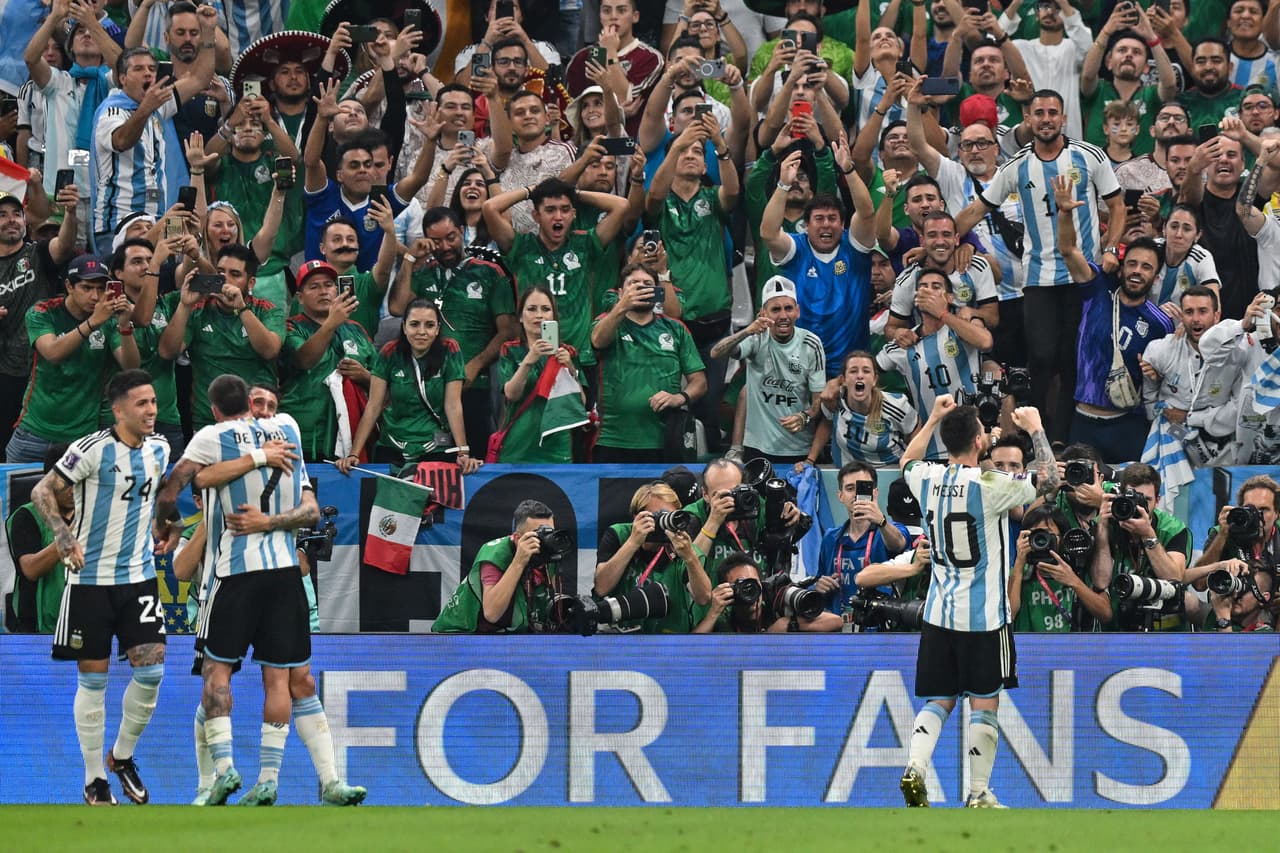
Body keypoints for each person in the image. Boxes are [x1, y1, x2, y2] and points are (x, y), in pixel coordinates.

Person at [155, 373, 366, 807]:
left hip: (248, 575)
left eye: (270, 404)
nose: (265, 411)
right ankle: (218, 781)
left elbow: (182, 484)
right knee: (252, 680)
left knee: (255, 679)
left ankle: (255, 777)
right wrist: (258, 456)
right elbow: (204, 482)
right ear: (247, 406)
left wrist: (172, 522)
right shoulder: (285, 430)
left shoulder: (220, 437)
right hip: (253, 575)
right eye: (258, 403)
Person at [897, 395, 1056, 810]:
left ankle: (915, 767)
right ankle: (977, 793)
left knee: (939, 700)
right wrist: (1035, 427)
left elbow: (906, 462)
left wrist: (932, 417)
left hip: (938, 613)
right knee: (985, 703)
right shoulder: (991, 486)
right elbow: (1050, 480)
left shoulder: (927, 478)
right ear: (979, 441)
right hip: (985, 617)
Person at [30, 369, 170, 806]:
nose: (151, 410)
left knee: (152, 672)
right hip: (90, 582)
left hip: (139, 576)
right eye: (142, 404)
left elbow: (154, 496)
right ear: (119, 409)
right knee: (94, 683)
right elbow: (42, 490)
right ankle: (94, 780)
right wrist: (62, 534)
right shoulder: (91, 449)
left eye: (153, 402)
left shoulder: (160, 448)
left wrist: (170, 523)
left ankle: (122, 756)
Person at [955, 89, 1125, 442]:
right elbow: (977, 210)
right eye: (1039, 113)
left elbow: (1118, 206)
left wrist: (1111, 248)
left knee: (1071, 359)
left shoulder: (1089, 156)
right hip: (1037, 278)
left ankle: (1062, 436)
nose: (1046, 119)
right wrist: (942, 239)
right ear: (1028, 120)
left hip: (1084, 276)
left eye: (1053, 112)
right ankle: (1039, 430)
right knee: (1042, 356)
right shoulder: (1016, 165)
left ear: (1063, 118)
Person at [1052, 176, 1175, 462]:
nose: (1137, 271)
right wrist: (1065, 213)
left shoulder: (1160, 323)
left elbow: (1165, 376)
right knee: (1078, 496)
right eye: (1132, 263)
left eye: (1146, 267)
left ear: (1155, 277)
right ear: (1121, 267)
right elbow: (1068, 251)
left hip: (1128, 425)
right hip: (1083, 422)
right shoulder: (1097, 289)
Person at [388, 207, 517, 452]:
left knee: (474, 456)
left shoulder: (489, 272)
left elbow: (508, 331)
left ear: (461, 232)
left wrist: (476, 364)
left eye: (451, 237)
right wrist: (409, 260)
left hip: (475, 385)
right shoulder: (424, 273)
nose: (445, 246)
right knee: (436, 461)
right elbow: (396, 307)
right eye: (436, 241)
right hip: (431, 388)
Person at [7, 254, 140, 464]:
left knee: (76, 498)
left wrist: (125, 327)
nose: (95, 296)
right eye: (87, 288)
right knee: (16, 497)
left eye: (100, 288)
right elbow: (52, 353)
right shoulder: (43, 312)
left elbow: (131, 367)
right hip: (34, 433)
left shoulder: (109, 319)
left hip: (81, 438)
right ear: (69, 286)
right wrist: (93, 323)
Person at [484, 177, 630, 367]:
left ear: (574, 214)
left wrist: (572, 191)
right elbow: (489, 208)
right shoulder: (521, 248)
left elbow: (622, 205)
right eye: (550, 210)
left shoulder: (585, 245)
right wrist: (531, 190)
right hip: (533, 359)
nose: (558, 216)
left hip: (579, 358)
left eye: (565, 209)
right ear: (536, 216)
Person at [761, 152, 878, 378]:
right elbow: (768, 232)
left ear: (842, 224)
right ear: (806, 225)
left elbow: (867, 212)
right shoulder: (796, 249)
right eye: (819, 219)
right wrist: (784, 184)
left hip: (851, 368)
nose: (826, 225)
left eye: (832, 219)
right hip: (802, 365)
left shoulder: (854, 247)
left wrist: (849, 171)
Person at [90, 39, 217, 247]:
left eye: (151, 68)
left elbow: (201, 78)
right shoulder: (111, 111)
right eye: (138, 69)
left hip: (156, 220)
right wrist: (145, 108)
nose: (148, 74)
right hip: (119, 225)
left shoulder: (158, 107)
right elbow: (122, 140)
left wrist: (209, 31)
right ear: (122, 78)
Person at [337, 300, 478, 476]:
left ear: (437, 329)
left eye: (429, 325)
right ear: (404, 327)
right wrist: (353, 453)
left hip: (435, 448)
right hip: (392, 447)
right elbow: (373, 406)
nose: (421, 332)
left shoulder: (450, 350)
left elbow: (453, 405)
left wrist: (462, 452)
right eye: (414, 324)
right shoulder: (389, 352)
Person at [156, 244, 285, 431]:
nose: (225, 279)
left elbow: (270, 350)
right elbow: (167, 352)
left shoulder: (267, 311)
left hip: (259, 421)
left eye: (235, 274)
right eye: (220, 272)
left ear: (251, 283)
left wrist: (241, 309)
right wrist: (184, 306)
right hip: (209, 423)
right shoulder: (198, 310)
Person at [591, 264, 706, 463]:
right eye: (633, 284)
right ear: (620, 293)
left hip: (666, 441)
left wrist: (679, 397)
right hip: (613, 440)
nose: (641, 288)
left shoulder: (675, 329)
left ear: (657, 292)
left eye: (647, 284)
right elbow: (598, 341)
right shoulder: (605, 322)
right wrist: (622, 307)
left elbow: (700, 382)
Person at [876, 268, 993, 462]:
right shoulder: (904, 343)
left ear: (949, 297)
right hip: (931, 452)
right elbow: (867, 372)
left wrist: (942, 314)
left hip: (973, 448)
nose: (928, 291)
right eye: (923, 287)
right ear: (915, 298)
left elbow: (985, 341)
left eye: (936, 287)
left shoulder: (961, 329)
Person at [708, 276, 824, 465]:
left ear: (798, 311)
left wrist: (804, 416)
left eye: (788, 308)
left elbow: (819, 401)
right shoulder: (756, 338)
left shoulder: (811, 344)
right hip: (757, 448)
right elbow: (716, 353)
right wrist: (746, 331)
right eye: (775, 309)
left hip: (799, 449)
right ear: (763, 313)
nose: (783, 315)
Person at [0, 186, 80, 451]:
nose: (11, 219)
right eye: (2, 215)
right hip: (4, 371)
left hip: (42, 370)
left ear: (25, 221)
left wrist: (70, 212)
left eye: (16, 214)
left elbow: (65, 244)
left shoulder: (38, 254)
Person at [279, 260, 378, 462]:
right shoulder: (290, 328)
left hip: (353, 440)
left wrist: (365, 376)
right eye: (314, 287)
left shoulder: (357, 330)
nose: (323, 291)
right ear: (300, 297)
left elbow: (384, 382)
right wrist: (330, 324)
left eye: (328, 285)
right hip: (304, 439)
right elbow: (304, 359)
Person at [1140, 286, 1247, 468]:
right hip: (1171, 432)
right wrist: (1159, 419)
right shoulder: (1160, 350)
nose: (1196, 319)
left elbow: (1238, 408)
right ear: (1182, 317)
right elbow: (1150, 400)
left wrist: (1191, 418)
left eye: (1203, 311)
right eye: (1189, 312)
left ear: (1216, 316)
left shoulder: (1239, 354)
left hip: (1219, 440)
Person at [434, 500, 568, 632]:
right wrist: (519, 562)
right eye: (539, 535)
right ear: (517, 538)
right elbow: (492, 614)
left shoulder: (547, 555)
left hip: (510, 635)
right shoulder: (495, 554)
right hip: (460, 634)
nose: (545, 541)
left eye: (550, 533)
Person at [593, 481, 709, 632]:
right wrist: (633, 542)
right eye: (657, 516)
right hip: (623, 634)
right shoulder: (620, 535)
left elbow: (703, 597)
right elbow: (601, 587)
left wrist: (690, 558)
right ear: (637, 517)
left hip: (669, 636)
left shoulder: (681, 544)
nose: (663, 523)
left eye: (669, 517)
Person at [1091, 463, 1190, 632]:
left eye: (1147, 500)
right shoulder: (1107, 523)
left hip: (1164, 630)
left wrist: (1148, 535)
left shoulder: (1174, 529)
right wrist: (1102, 529)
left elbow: (1174, 579)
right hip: (1116, 629)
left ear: (1158, 501)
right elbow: (1100, 581)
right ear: (1120, 496)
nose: (1139, 506)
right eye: (1133, 497)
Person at [495, 287, 584, 464]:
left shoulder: (567, 352)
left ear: (554, 316)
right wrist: (528, 361)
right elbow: (511, 395)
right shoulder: (510, 349)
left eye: (545, 309)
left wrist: (570, 367)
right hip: (518, 446)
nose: (539, 315)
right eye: (531, 309)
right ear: (520, 316)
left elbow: (580, 403)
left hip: (557, 446)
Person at [1079, 4, 1178, 157]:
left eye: (1137, 52)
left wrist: (1152, 38)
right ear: (1109, 62)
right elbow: (1087, 76)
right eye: (1122, 50)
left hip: (1142, 176)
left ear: (1146, 67)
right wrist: (1106, 32)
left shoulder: (1152, 95)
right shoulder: (1098, 90)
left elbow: (1170, 84)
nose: (1129, 55)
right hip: (1097, 175)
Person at [816, 461, 910, 619]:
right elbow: (820, 581)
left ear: (875, 492)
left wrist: (881, 521)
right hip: (839, 626)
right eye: (850, 488)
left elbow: (898, 544)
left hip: (880, 627)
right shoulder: (831, 538)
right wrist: (819, 586)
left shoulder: (891, 529)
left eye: (862, 488)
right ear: (840, 496)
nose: (855, 495)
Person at [1007, 503, 1112, 633]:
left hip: (1073, 649)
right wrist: (1019, 562)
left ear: (1062, 538)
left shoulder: (1079, 566)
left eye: (1048, 534)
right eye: (1036, 535)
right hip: (1029, 649)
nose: (1042, 541)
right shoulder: (1019, 572)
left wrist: (1073, 581)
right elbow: (1009, 614)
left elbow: (1106, 614)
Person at [809, 350, 918, 468]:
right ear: (843, 380)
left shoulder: (896, 405)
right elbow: (827, 423)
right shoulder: (834, 400)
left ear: (874, 380)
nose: (860, 376)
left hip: (888, 470)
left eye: (866, 371)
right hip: (846, 472)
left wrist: (911, 465)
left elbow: (915, 431)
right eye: (853, 371)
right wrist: (810, 461)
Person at [6, 443, 72, 634]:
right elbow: (31, 569)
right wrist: (68, 535)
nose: (72, 489)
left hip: (88, 622)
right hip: (37, 629)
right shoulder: (26, 516)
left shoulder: (93, 514)